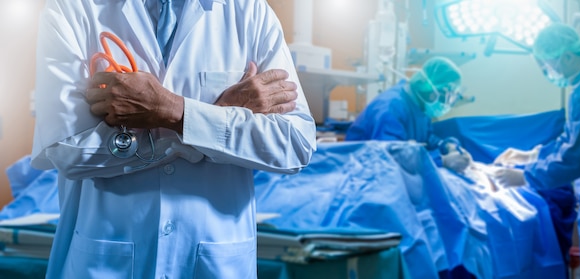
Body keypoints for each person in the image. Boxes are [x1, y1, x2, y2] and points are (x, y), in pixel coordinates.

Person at [31, 0, 317, 278]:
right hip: (107, 258)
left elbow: (294, 144)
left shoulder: (249, 11)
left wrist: (173, 111)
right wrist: (210, 120)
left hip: (215, 261)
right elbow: (66, 150)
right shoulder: (74, 7)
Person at [493, 23, 580, 277]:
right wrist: (531, 155)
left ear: (566, 56)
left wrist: (525, 176)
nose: (548, 72)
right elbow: (572, 140)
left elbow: (579, 156)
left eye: (547, 65)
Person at [345, 56, 472, 173]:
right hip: (363, 176)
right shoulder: (390, 108)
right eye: (445, 95)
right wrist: (441, 161)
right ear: (428, 86)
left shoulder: (420, 105)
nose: (446, 104)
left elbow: (427, 139)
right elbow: (391, 156)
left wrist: (447, 145)